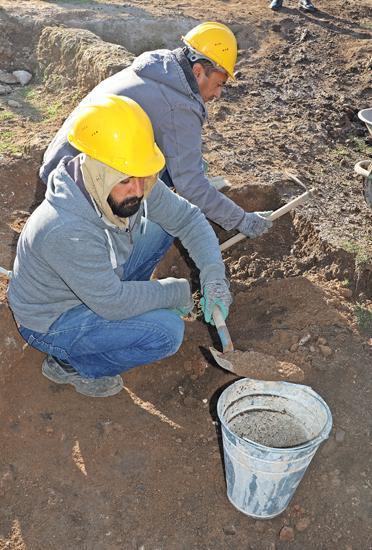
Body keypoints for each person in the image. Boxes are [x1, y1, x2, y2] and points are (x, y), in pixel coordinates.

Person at [7, 95, 234, 398]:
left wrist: (214, 277)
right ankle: (71, 365)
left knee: (161, 226)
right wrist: (174, 292)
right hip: (54, 321)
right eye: (128, 181)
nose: (138, 191)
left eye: (142, 177)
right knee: (166, 332)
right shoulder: (66, 228)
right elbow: (112, 303)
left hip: (96, 287)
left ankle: (130, 311)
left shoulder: (126, 178)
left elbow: (188, 219)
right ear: (100, 172)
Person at [40, 21, 273, 241]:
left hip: (59, 166)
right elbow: (190, 185)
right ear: (198, 71)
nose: (218, 94)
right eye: (219, 84)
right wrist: (241, 220)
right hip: (79, 195)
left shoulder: (160, 69)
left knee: (190, 168)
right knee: (175, 220)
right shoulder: (179, 106)